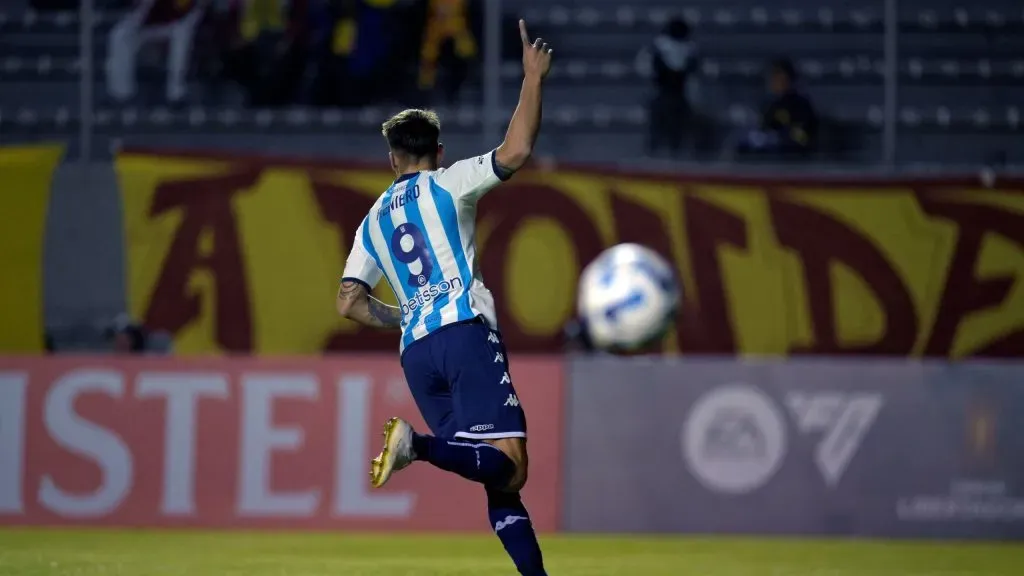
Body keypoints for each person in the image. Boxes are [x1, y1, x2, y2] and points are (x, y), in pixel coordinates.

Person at [334, 20, 551, 576]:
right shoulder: (450, 182)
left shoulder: (372, 220)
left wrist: (400, 313)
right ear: (438, 150)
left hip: (416, 352)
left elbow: (349, 302)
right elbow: (517, 149)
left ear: (392, 160)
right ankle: (417, 446)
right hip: (462, 333)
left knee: (491, 473)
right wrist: (531, 79)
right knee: (512, 468)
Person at [105, 0, 208, 105]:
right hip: (148, 25)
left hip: (178, 25)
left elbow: (195, 10)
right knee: (119, 35)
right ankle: (120, 93)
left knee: (182, 34)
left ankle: (176, 93)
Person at [635, 16, 699, 157]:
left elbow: (693, 70)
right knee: (658, 120)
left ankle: (677, 149)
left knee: (679, 123)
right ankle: (653, 150)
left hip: (680, 92)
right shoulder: (658, 46)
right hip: (662, 90)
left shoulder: (690, 48)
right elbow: (646, 68)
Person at [736, 58, 818, 158]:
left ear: (789, 78)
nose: (774, 80)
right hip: (771, 157)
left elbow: (803, 138)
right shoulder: (770, 104)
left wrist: (783, 135)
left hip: (795, 158)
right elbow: (764, 128)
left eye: (778, 76)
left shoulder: (801, 104)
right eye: (773, 76)